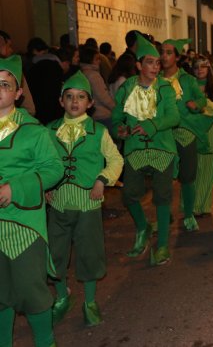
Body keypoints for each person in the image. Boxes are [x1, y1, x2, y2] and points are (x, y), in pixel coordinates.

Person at [46, 71, 123, 327]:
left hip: (88, 204)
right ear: (61, 101)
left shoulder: (98, 131)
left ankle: (89, 301)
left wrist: (102, 179)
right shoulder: (50, 131)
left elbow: (115, 160)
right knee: (55, 254)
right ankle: (60, 297)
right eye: (69, 97)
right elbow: (42, 163)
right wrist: (44, 185)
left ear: (90, 103)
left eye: (81, 97)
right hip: (57, 204)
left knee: (89, 255)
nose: (75, 102)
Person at [0, 55, 63, 347]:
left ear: (18, 93)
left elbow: (54, 169)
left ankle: (45, 341)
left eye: (4, 84)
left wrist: (17, 188)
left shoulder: (35, 131)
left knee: (31, 289)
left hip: (24, 223)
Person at [111, 33, 180, 266]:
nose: (155, 66)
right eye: (150, 62)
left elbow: (174, 116)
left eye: (158, 62)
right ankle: (143, 226)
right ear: (139, 65)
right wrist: (119, 129)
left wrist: (152, 125)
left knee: (162, 197)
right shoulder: (127, 87)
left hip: (162, 149)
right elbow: (117, 116)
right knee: (129, 194)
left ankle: (161, 246)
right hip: (135, 150)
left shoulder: (165, 89)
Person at [160, 38, 207, 231]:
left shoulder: (187, 80)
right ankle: (165, 213)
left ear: (177, 57)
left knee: (187, 177)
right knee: (163, 178)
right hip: (162, 135)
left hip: (185, 132)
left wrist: (196, 105)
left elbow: (202, 99)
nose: (164, 56)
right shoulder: (155, 81)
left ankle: (188, 215)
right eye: (162, 52)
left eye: (169, 53)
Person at [191, 56, 213, 216]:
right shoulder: (188, 85)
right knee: (193, 169)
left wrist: (205, 105)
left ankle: (201, 205)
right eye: (197, 67)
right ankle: (191, 204)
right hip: (193, 129)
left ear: (208, 69)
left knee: (208, 170)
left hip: (212, 129)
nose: (200, 70)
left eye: (203, 67)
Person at [79, 45, 115, 128]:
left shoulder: (82, 73)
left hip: (92, 114)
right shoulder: (94, 75)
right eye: (97, 59)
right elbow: (103, 96)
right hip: (102, 114)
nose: (99, 61)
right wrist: (115, 108)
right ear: (90, 60)